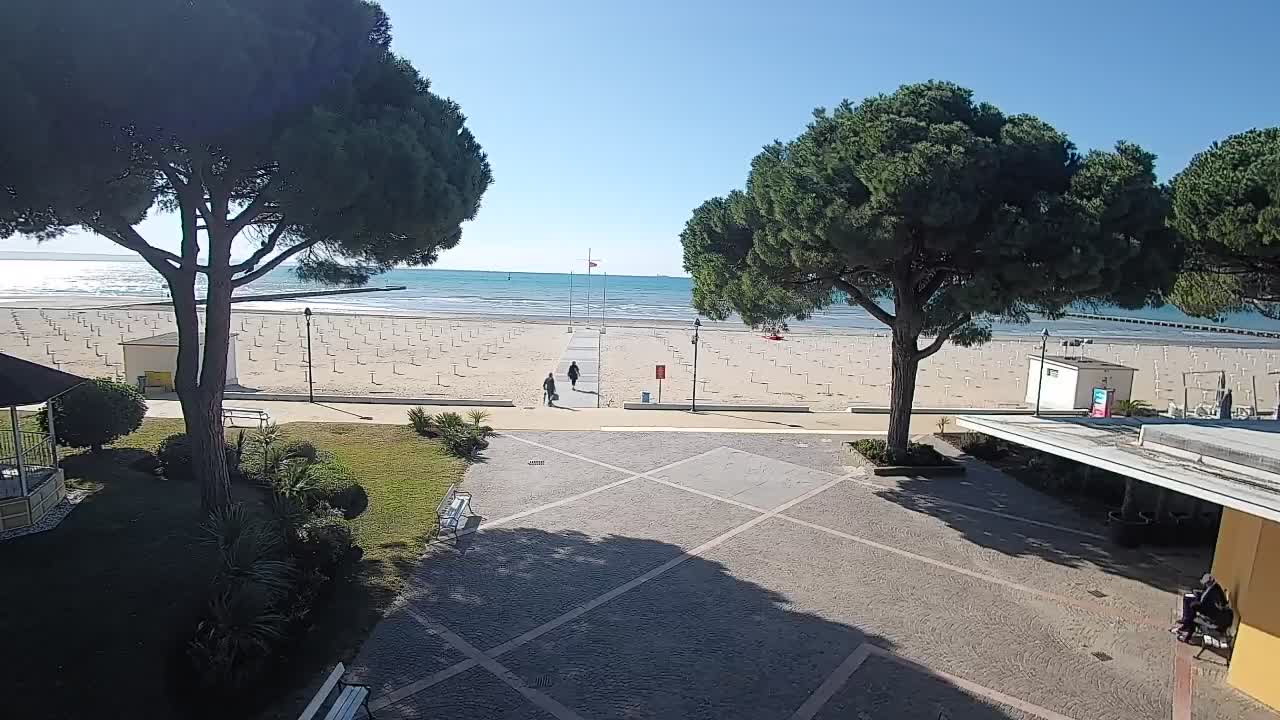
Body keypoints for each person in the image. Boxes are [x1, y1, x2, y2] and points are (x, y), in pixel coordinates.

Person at [1177, 574, 1232, 642]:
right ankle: (1186, 621)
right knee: (1187, 599)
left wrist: (1197, 606)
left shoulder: (1215, 591)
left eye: (1206, 583)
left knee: (1193, 613)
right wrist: (1197, 593)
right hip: (1206, 608)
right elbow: (1205, 596)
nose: (1205, 585)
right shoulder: (1211, 587)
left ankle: (1187, 628)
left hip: (1212, 616)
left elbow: (1215, 606)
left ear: (1209, 582)